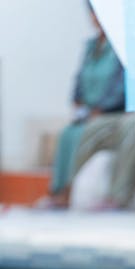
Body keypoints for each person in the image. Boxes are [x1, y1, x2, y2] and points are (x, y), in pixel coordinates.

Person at [40, 4, 124, 208]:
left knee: (82, 135)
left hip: (111, 113)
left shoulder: (120, 48)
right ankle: (57, 190)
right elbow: (79, 80)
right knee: (67, 134)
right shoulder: (90, 46)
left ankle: (70, 191)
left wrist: (102, 109)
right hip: (88, 112)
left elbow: (121, 87)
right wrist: (79, 104)